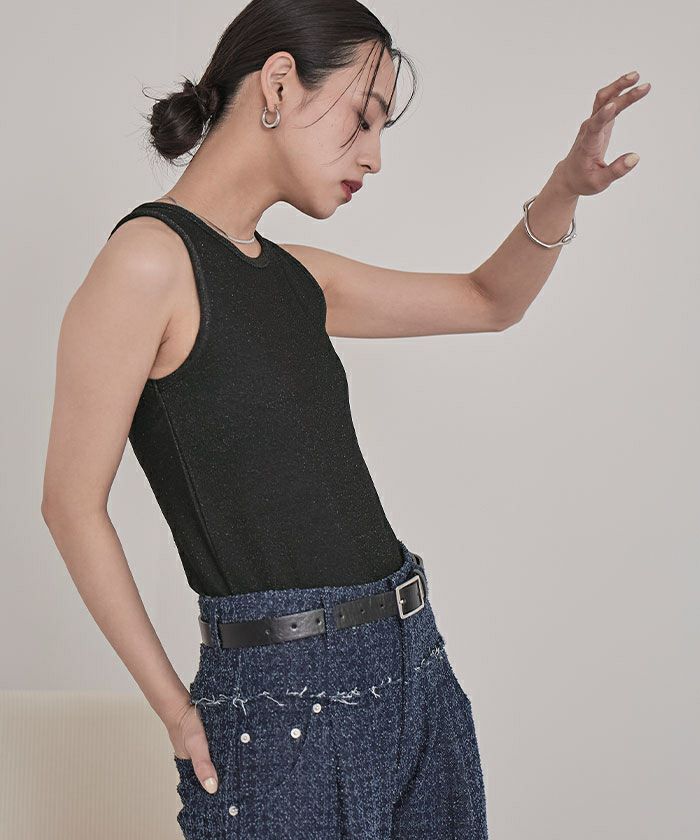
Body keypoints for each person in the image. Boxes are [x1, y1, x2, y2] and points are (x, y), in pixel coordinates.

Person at [40, 0, 650, 837]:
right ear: (279, 84)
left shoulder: (297, 276)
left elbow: (489, 301)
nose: (374, 156)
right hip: (283, 703)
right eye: (363, 118)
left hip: (416, 664)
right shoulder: (148, 263)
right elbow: (70, 504)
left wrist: (564, 189)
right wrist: (176, 709)